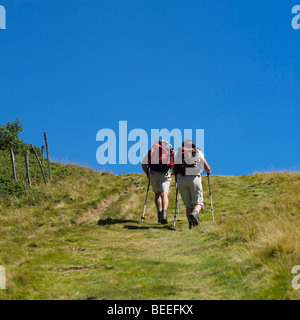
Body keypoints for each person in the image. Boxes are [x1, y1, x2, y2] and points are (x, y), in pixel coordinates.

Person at [173, 139, 211, 229]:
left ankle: (191, 224)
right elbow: (206, 166)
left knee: (188, 204)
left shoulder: (178, 153)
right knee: (198, 202)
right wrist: (208, 171)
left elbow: (174, 170)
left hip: (181, 178)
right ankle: (195, 213)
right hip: (194, 177)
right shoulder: (197, 152)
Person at [142, 140, 174, 224]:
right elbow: (174, 163)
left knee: (157, 194)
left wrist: (147, 174)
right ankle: (164, 213)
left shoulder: (153, 149)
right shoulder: (169, 149)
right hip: (165, 174)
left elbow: (143, 163)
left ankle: (159, 214)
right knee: (164, 194)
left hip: (154, 173)